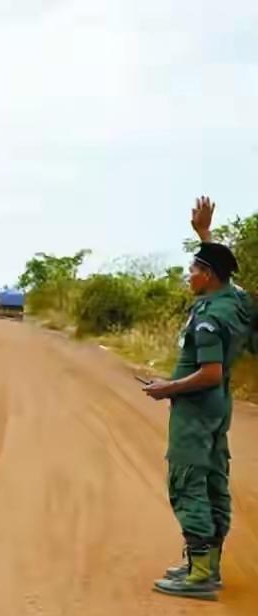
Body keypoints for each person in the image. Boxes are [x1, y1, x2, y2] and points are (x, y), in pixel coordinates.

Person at [143, 196, 250, 600]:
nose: (189, 275)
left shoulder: (208, 318)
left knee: (188, 482)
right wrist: (205, 235)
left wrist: (164, 389)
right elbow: (230, 275)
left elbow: (209, 373)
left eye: (194, 269)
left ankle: (199, 574)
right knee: (212, 481)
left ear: (207, 275)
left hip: (197, 410)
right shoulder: (235, 303)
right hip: (217, 411)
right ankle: (205, 563)